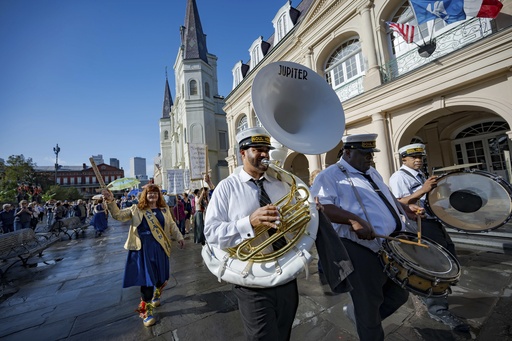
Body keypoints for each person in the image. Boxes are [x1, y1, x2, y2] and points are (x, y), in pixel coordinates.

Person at [311, 134, 423, 341]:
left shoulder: (371, 171)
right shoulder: (329, 175)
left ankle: (360, 317)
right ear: (347, 152)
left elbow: (385, 198)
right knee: (369, 302)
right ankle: (368, 325)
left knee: (399, 294)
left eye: (371, 153)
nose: (369, 158)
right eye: (364, 154)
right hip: (358, 247)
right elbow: (321, 207)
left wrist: (405, 209)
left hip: (388, 244)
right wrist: (353, 220)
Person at [204, 127, 298, 340]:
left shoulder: (281, 184)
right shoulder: (226, 187)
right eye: (258, 149)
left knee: (284, 334)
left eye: (266, 149)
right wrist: (249, 222)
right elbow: (211, 232)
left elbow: (297, 222)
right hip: (251, 278)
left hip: (287, 272)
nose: (265, 154)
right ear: (242, 153)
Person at [389, 143, 470, 332]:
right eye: (414, 157)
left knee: (450, 259)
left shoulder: (419, 175)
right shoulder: (399, 177)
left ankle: (428, 295)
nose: (418, 160)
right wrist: (424, 189)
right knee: (437, 267)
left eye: (420, 157)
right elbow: (401, 202)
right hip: (420, 225)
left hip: (433, 222)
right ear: (404, 159)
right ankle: (437, 309)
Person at [101, 184, 185, 327]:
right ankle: (146, 311)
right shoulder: (137, 209)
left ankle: (157, 294)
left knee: (162, 277)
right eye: (149, 193)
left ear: (159, 196)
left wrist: (179, 237)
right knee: (146, 281)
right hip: (143, 249)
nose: (152, 195)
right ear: (144, 195)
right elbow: (118, 215)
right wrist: (110, 201)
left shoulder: (164, 210)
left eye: (155, 193)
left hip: (160, 247)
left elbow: (171, 225)